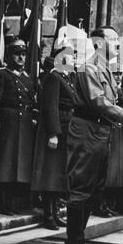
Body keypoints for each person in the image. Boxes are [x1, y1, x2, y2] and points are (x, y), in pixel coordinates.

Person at [62, 26, 123, 244]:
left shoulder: (107, 71)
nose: (119, 44)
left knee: (93, 190)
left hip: (101, 132)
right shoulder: (88, 68)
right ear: (99, 43)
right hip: (87, 131)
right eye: (113, 39)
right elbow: (98, 101)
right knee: (81, 189)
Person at [31, 43, 75, 230]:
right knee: (51, 173)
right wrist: (54, 133)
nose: (74, 60)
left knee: (59, 173)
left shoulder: (67, 78)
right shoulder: (54, 77)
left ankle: (56, 212)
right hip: (56, 129)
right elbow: (50, 106)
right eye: (71, 57)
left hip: (67, 128)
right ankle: (48, 214)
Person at [0, 38, 38, 215]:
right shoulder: (2, 74)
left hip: (24, 124)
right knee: (6, 162)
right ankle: (3, 202)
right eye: (17, 54)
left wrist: (33, 119)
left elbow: (33, 102)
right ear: (10, 56)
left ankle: (16, 200)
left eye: (23, 54)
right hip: (8, 122)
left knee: (20, 163)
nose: (21, 58)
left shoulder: (27, 77)